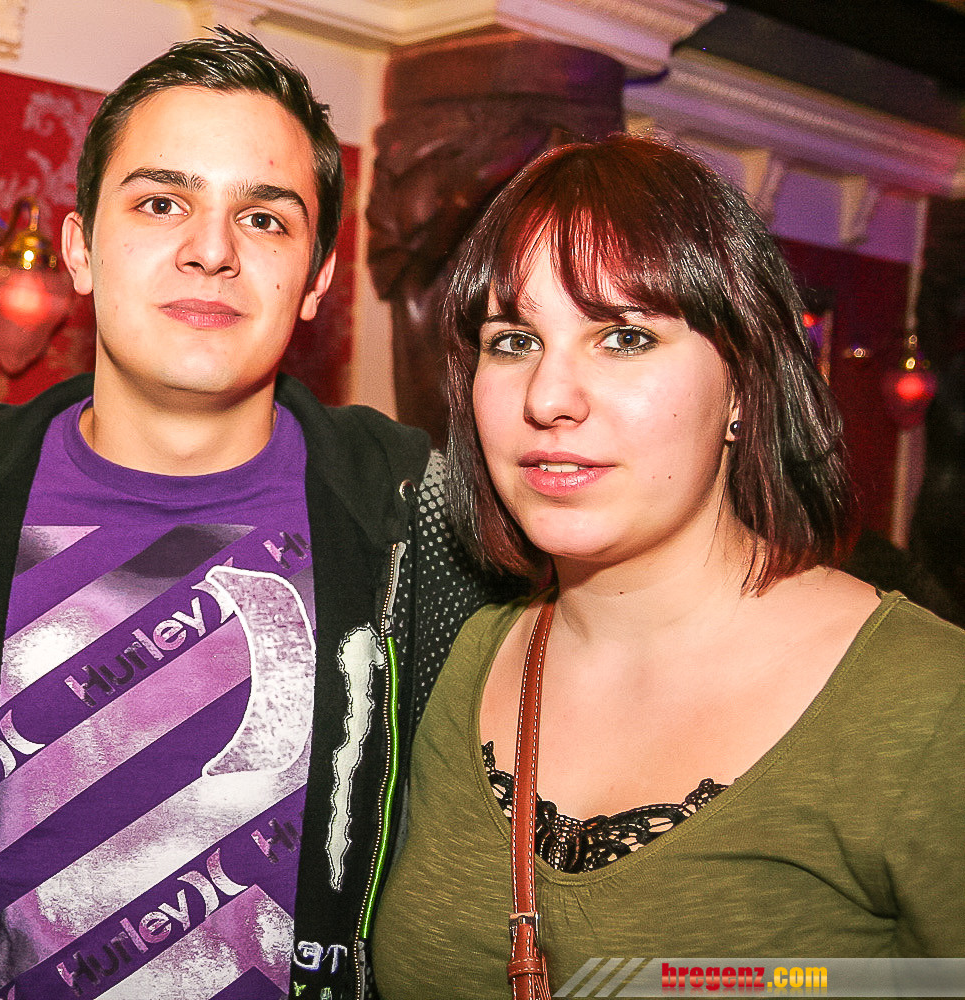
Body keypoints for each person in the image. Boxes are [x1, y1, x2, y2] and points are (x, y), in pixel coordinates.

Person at [0, 27, 502, 1000]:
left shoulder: (423, 517)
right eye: (161, 202)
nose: (212, 250)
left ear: (318, 279)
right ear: (80, 248)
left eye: (263, 219)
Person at [371, 135, 965, 999]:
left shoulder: (932, 705)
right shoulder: (470, 660)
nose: (547, 397)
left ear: (744, 384)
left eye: (623, 337)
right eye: (514, 341)